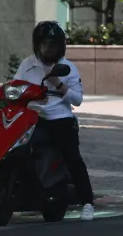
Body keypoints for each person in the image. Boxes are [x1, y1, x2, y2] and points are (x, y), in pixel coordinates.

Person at [14, 21, 95, 222]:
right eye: (45, 44)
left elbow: (77, 99)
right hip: (33, 117)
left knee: (73, 158)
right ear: (38, 45)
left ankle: (87, 202)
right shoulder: (28, 64)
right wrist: (28, 96)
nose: (49, 49)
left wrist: (58, 85)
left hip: (60, 119)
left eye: (54, 45)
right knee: (17, 151)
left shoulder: (67, 68)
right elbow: (15, 87)